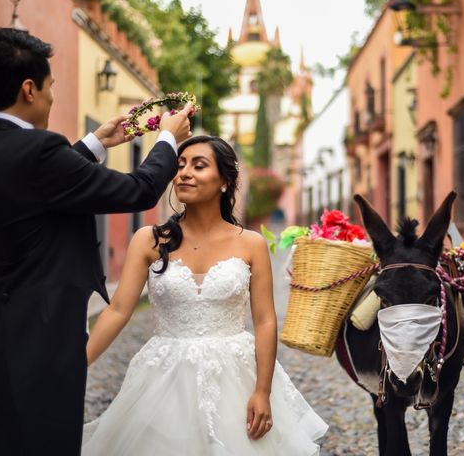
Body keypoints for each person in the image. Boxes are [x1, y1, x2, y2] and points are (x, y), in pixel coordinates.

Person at [0, 28, 192, 456]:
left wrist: (94, 144)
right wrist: (167, 138)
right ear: (29, 88)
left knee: (8, 441)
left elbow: (30, 188)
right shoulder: (40, 152)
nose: (51, 98)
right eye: (50, 88)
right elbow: (139, 190)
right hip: (46, 331)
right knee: (49, 440)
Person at [81, 135, 328, 455]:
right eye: (179, 165)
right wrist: (76, 365)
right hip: (163, 376)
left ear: (225, 181)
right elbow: (117, 311)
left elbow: (265, 321)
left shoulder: (250, 244)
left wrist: (262, 391)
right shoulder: (148, 240)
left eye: (199, 166)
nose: (184, 173)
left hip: (234, 378)